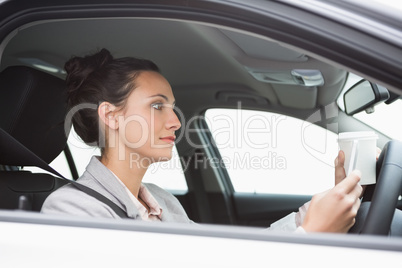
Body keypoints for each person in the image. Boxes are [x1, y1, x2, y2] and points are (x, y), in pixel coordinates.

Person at [41, 48, 362, 233]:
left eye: (172, 106)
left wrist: (314, 213)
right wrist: (307, 238)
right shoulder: (70, 211)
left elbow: (223, 258)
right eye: (157, 106)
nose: (176, 121)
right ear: (111, 116)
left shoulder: (161, 201)